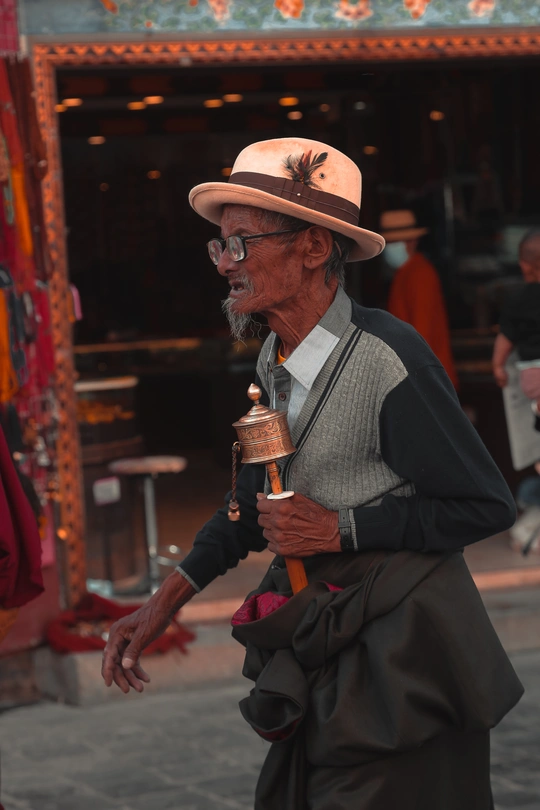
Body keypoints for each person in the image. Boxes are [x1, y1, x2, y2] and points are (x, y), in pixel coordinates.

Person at [102, 137, 522, 809]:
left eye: (242, 243)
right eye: (220, 246)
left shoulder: (387, 358)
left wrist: (340, 527)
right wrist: (162, 603)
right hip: (325, 637)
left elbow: (485, 505)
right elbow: (252, 501)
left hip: (404, 654)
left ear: (314, 247)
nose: (225, 263)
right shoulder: (273, 359)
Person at [381, 209, 459, 388]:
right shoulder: (404, 274)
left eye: (394, 242)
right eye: (388, 243)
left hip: (426, 379)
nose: (389, 248)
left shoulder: (421, 274)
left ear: (412, 241)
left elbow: (421, 335)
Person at [492, 229, 540, 418]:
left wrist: (498, 367)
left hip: (531, 377)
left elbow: (505, 337)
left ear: (523, 266)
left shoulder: (517, 300)